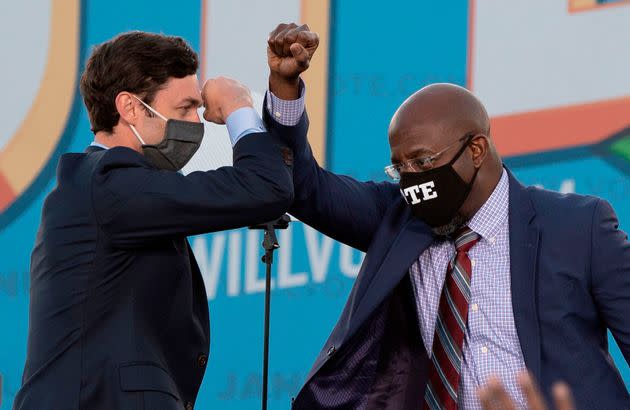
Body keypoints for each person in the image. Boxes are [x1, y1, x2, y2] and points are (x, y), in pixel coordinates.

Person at [262, 26, 630, 409]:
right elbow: (306, 189)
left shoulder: (579, 227)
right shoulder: (398, 219)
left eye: (422, 161)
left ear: (476, 149)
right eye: (400, 168)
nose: (413, 178)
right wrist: (285, 90)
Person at [14, 29, 314, 410]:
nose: (199, 122)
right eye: (185, 108)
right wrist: (239, 108)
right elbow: (265, 188)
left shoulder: (111, 188)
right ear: (130, 108)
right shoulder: (109, 183)